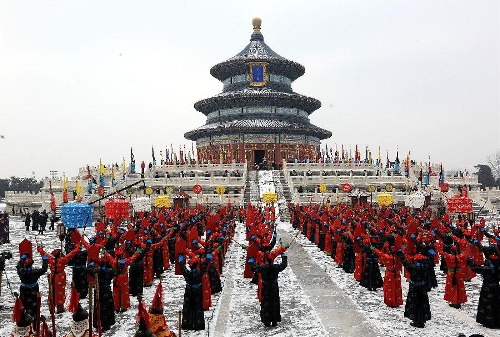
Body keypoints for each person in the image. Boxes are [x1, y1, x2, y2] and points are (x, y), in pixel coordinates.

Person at [252, 249, 288, 327]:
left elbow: (254, 268)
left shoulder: (263, 268)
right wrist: (284, 257)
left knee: (266, 303)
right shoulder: (275, 267)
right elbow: (284, 265)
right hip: (274, 286)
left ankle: (266, 320)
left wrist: (251, 262)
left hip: (266, 287)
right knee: (274, 303)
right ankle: (274, 320)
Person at [397, 251, 432, 328]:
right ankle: (422, 320)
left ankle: (416, 321)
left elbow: (405, 262)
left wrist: (401, 255)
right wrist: (429, 256)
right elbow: (430, 262)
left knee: (415, 304)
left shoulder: (413, 268)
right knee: (422, 304)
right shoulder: (425, 268)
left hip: (414, 288)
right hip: (422, 288)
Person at [467, 254, 500, 328]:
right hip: (496, 288)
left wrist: (470, 261)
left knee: (487, 304)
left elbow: (474, 268)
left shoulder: (487, 269)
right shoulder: (498, 268)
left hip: (487, 289)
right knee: (496, 304)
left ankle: (488, 322)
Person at [179, 254, 207, 330]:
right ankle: (198, 324)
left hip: (189, 291)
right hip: (197, 291)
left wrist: (181, 260)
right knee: (197, 307)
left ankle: (187, 323)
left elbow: (182, 267)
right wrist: (207, 258)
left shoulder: (187, 273)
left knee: (188, 307)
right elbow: (205, 266)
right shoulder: (199, 273)